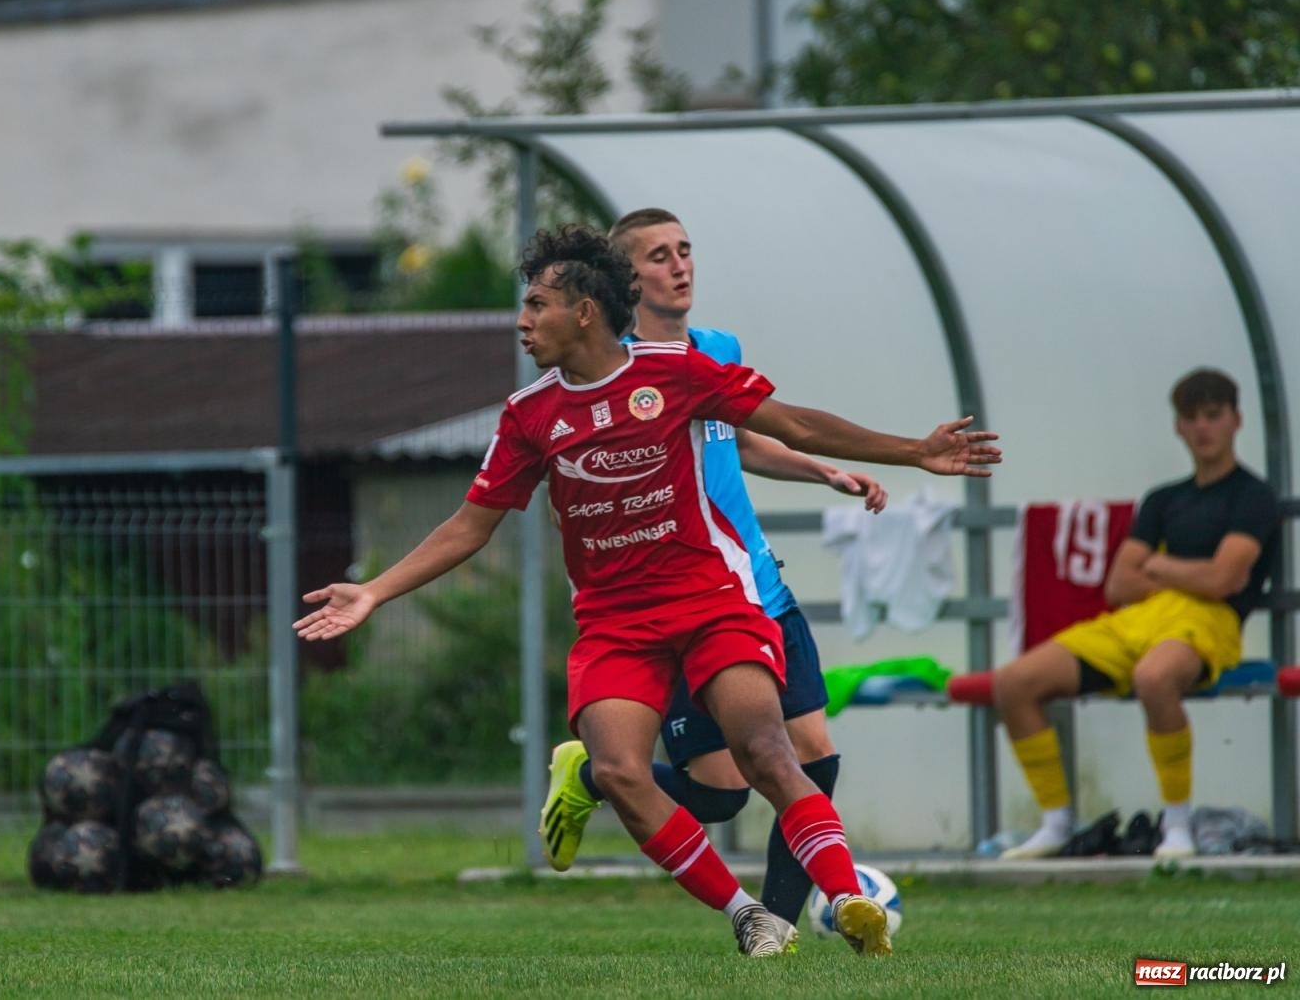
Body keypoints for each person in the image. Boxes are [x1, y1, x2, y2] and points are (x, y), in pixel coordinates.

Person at [296, 224, 1000, 957]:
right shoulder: (528, 415)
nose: (522, 320)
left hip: (710, 600)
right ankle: (749, 917)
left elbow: (790, 423)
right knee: (618, 771)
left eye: (536, 304)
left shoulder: (678, 371)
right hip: (615, 624)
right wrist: (373, 591)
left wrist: (913, 451)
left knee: (766, 749)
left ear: (584, 312)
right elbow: (470, 526)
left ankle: (850, 900)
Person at [537, 208, 884, 946]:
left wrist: (821, 470)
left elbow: (745, 438)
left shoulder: (716, 349)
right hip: (677, 600)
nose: (681, 266)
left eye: (686, 250)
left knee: (811, 753)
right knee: (722, 793)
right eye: (659, 256)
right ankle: (592, 774)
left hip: (757, 584)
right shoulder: (614, 367)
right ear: (626, 279)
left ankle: (779, 927)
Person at [993, 368, 1279, 861]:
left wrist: (1160, 565)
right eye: (1191, 417)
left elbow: (1223, 581)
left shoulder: (1253, 496)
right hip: (1139, 620)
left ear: (1236, 421)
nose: (1203, 427)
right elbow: (1120, 584)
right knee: (1013, 683)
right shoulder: (1164, 498)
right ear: (1178, 427)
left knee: (1154, 677)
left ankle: (1177, 825)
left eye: (1213, 415)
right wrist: (1189, 572)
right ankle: (1056, 824)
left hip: (1208, 622)